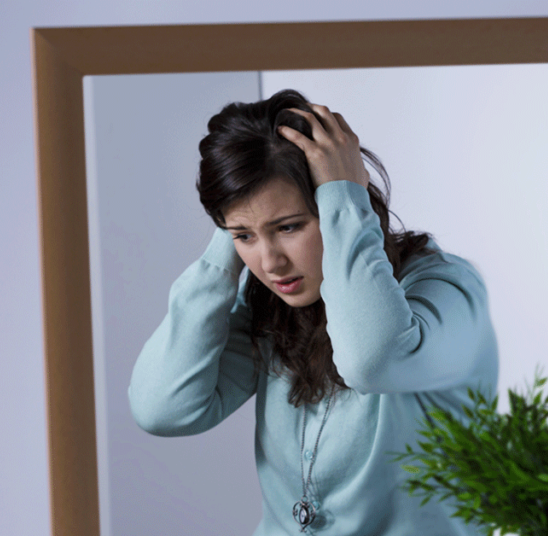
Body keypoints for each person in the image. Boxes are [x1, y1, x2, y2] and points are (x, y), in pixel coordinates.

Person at [129, 89, 499, 535]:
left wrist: (344, 194)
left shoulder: (449, 291)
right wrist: (230, 236)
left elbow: (374, 360)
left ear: (339, 204)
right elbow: (163, 408)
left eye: (288, 227)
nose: (270, 263)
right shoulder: (271, 310)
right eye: (244, 237)